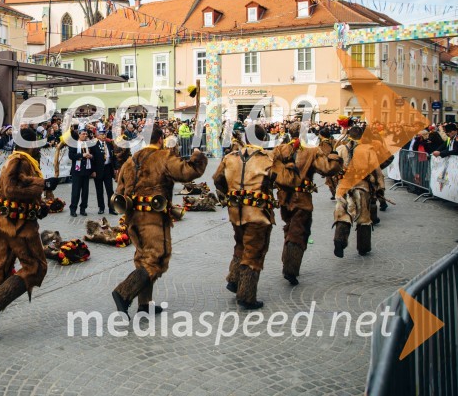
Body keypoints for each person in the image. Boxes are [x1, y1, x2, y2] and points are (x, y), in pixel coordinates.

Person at [0, 127, 58, 342]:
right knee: (36, 268)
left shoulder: (18, 159)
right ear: (32, 144)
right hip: (18, 227)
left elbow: (8, 193)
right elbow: (10, 188)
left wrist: (40, 207)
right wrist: (42, 184)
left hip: (5, 223)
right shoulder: (21, 161)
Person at [110, 128, 208, 318]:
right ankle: (123, 292)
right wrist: (197, 155)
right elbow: (188, 172)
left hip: (133, 219)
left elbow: (120, 191)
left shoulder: (131, 160)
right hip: (152, 219)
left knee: (143, 258)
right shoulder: (162, 156)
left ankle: (144, 305)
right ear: (161, 139)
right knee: (157, 258)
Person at [213, 124, 299, 309]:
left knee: (240, 244)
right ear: (264, 139)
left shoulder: (230, 157)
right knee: (254, 252)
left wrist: (228, 194)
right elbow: (287, 180)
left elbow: (217, 178)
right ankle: (246, 295)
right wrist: (290, 165)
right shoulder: (268, 159)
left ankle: (234, 280)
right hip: (257, 214)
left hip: (235, 212)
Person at [271, 123, 342, 285]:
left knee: (289, 227)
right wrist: (335, 157)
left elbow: (271, 170)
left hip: (283, 198)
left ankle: (287, 260)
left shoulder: (280, 149)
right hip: (301, 199)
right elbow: (326, 169)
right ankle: (290, 269)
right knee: (298, 232)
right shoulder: (311, 151)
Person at [332, 125, 383, 258]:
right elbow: (377, 170)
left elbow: (334, 168)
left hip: (343, 187)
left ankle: (339, 241)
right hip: (361, 187)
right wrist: (380, 188)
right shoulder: (368, 150)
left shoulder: (340, 148)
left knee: (342, 214)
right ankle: (363, 247)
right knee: (363, 217)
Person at [68, 129, 100, 217]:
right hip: (77, 171)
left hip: (86, 171)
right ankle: (73, 209)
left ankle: (83, 209)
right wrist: (82, 155)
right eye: (83, 134)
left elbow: (94, 156)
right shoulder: (74, 144)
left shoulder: (88, 144)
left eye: (86, 134)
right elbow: (71, 155)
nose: (85, 135)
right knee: (76, 191)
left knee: (85, 192)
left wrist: (91, 156)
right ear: (79, 135)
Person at [93, 129, 118, 215]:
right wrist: (93, 171)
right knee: (99, 190)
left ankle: (111, 208)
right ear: (97, 136)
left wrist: (115, 168)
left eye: (104, 134)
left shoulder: (109, 144)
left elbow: (113, 157)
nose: (103, 136)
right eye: (101, 134)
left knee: (110, 190)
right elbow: (92, 160)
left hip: (108, 169)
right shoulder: (94, 145)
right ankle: (101, 207)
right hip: (98, 169)